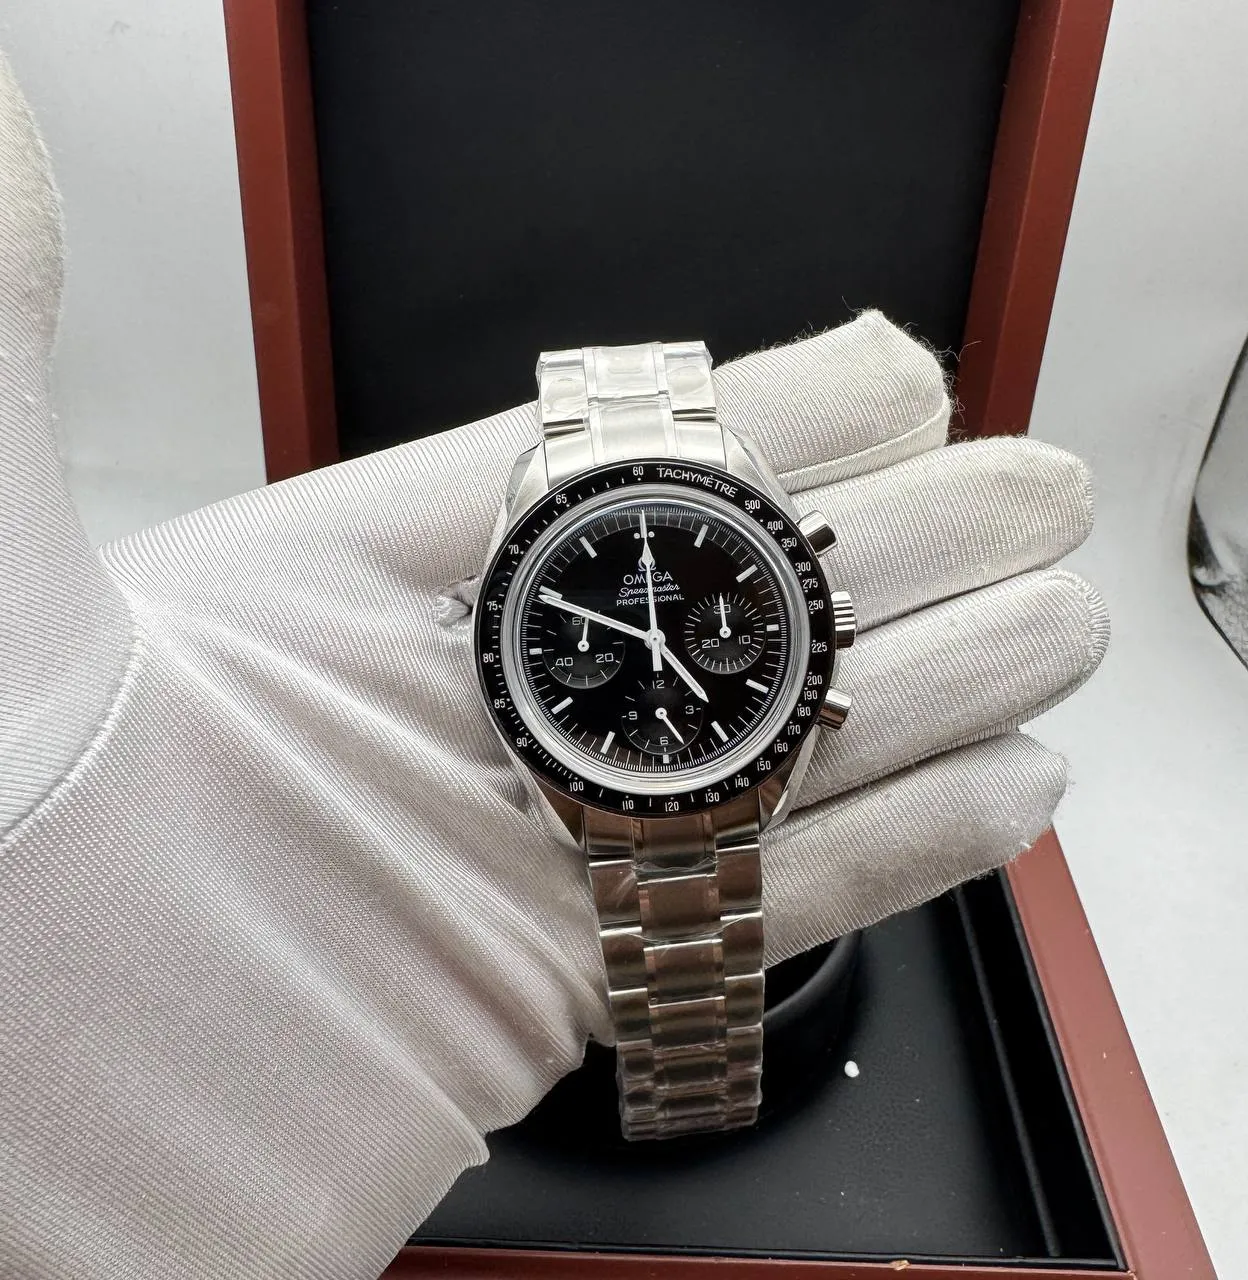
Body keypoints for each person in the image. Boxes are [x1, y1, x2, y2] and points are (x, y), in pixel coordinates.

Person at [0, 51, 1108, 1280]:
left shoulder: (703, 622)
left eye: (690, 629)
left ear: (817, 618)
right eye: (616, 634)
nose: (651, 640)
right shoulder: (541, 643)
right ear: (493, 626)